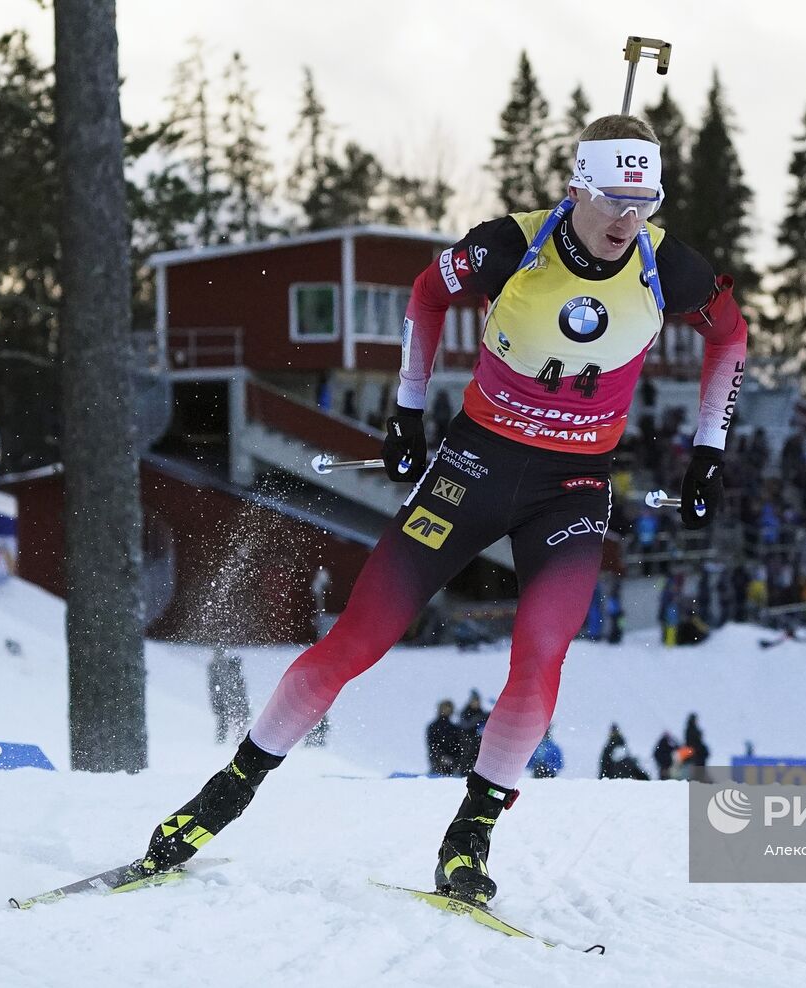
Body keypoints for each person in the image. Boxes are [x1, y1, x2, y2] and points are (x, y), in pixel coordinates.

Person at [135, 113, 748, 906]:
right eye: (609, 198)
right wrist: (406, 411)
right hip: (474, 465)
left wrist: (708, 449)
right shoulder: (511, 244)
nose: (626, 220)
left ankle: (470, 836)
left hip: (573, 486)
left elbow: (729, 339)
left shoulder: (668, 264)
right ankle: (228, 793)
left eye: (643, 200)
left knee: (541, 658)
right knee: (358, 638)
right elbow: (427, 295)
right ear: (576, 188)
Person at [206, 647, 251, 745]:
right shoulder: (218, 669)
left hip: (228, 699)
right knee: (226, 719)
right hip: (225, 699)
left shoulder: (229, 674)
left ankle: (232, 740)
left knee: (229, 720)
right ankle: (225, 740)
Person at [426, 700, 462, 776]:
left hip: (452, 766)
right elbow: (432, 745)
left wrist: (454, 760)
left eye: (449, 708)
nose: (447, 711)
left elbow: (458, 747)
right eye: (445, 708)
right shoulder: (433, 727)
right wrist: (441, 757)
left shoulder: (454, 728)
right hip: (437, 764)